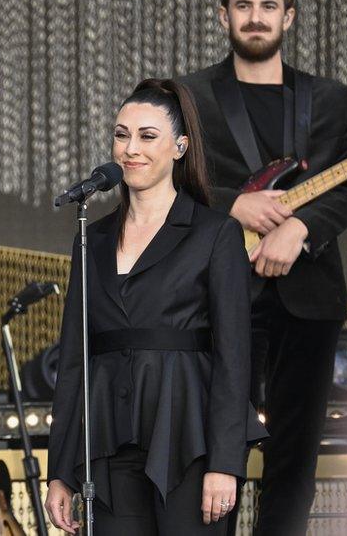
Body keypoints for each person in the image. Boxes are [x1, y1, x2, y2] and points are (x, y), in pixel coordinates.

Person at [178, 0, 347, 533]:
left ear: (287, 16)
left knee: (295, 463)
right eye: (243, 6)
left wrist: (300, 230)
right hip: (218, 295)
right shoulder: (190, 96)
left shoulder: (331, 98)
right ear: (223, 15)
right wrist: (234, 203)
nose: (254, 17)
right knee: (216, 452)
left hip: (308, 299)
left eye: (267, 7)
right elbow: (170, 184)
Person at [45, 79, 267, 535]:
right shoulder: (93, 237)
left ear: (180, 147)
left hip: (188, 437)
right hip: (106, 440)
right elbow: (73, 359)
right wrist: (61, 469)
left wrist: (225, 463)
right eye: (121, 134)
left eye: (147, 136)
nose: (130, 149)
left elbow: (233, 357)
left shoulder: (214, 233)